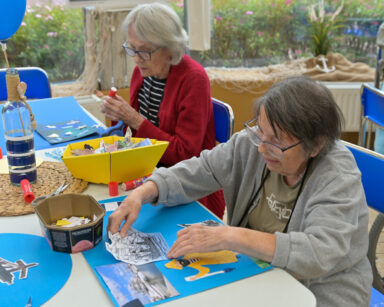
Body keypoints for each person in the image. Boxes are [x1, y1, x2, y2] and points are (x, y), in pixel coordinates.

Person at [108, 76, 373, 306]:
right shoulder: (253, 142)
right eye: (260, 130)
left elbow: (318, 253)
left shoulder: (337, 175)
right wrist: (142, 193)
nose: (260, 147)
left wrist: (229, 236)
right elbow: (201, 169)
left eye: (276, 142)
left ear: (315, 146)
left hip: (319, 292)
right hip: (257, 273)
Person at [100, 3, 225, 218]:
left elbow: (186, 156)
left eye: (145, 51)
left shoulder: (193, 78)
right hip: (150, 176)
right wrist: (117, 115)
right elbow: (135, 137)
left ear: (170, 48)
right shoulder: (144, 70)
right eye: (132, 49)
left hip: (188, 189)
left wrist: (135, 120)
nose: (137, 59)